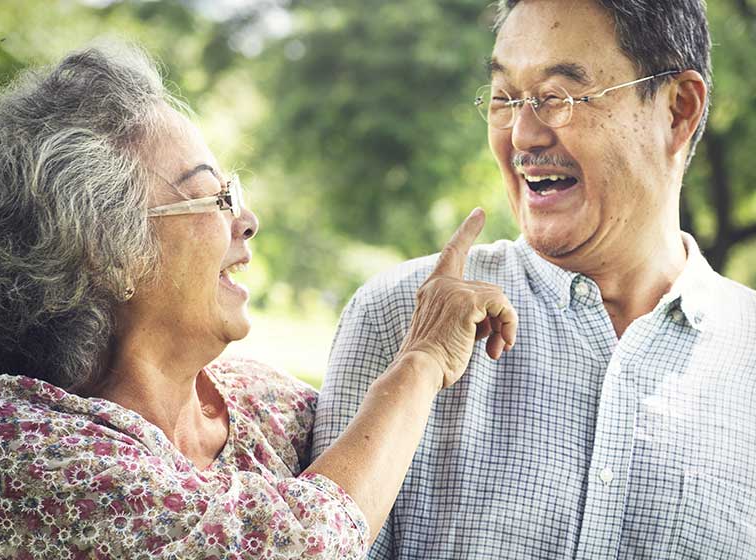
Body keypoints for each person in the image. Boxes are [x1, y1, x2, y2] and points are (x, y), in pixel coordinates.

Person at [0, 42, 517, 559]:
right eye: (213, 197)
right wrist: (420, 362)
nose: (248, 219)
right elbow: (305, 543)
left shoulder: (261, 404)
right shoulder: (6, 443)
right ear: (109, 251)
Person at [313, 1, 756, 558]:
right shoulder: (400, 317)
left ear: (677, 109)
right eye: (504, 98)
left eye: (557, 96)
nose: (522, 135)